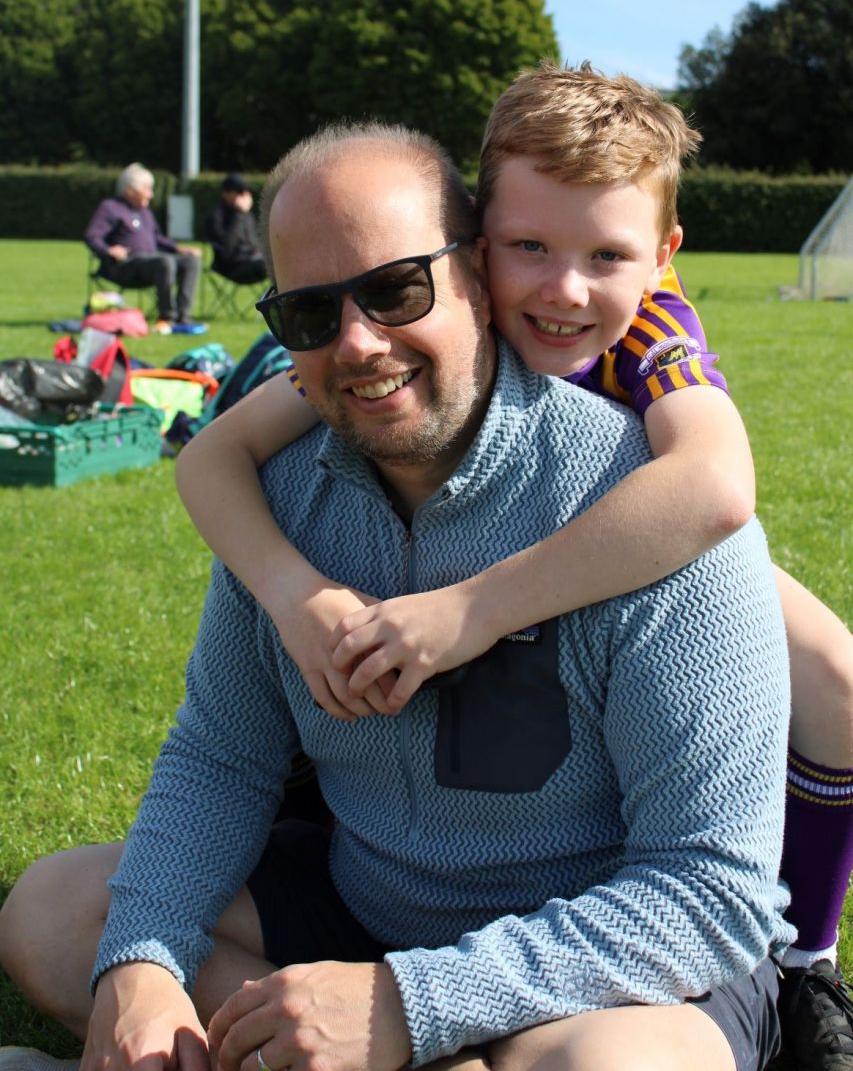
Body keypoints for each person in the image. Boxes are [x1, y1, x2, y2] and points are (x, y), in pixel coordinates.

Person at [0, 123, 792, 1071]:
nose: (359, 345)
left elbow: (712, 891)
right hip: (363, 912)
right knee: (57, 916)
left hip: (599, 965)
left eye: (394, 289)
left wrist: (416, 1004)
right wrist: (142, 966)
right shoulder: (282, 497)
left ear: (476, 277)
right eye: (310, 315)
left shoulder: (651, 513)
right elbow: (222, 757)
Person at [174, 65, 853, 1071]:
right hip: (422, 794)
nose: (562, 287)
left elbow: (709, 487)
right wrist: (293, 590)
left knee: (834, 678)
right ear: (476, 238)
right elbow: (213, 454)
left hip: (637, 526)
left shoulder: (656, 337)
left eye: (606, 255)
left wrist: (474, 608)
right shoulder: (386, 340)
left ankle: (804, 957)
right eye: (527, 245)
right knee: (78, 905)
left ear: (662, 259)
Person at [84, 163, 202, 333]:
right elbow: (92, 236)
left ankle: (183, 316)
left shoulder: (144, 212)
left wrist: (179, 249)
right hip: (124, 266)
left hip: (152, 263)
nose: (151, 194)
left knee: (191, 262)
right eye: (147, 189)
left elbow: (157, 238)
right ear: (130, 190)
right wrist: (108, 250)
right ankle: (167, 317)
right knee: (164, 261)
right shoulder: (110, 208)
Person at [205, 172, 267, 285]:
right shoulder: (216, 216)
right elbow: (227, 248)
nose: (243, 196)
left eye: (245, 192)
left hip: (253, 259)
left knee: (278, 261)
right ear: (226, 193)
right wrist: (239, 214)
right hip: (231, 266)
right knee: (272, 265)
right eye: (239, 192)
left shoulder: (246, 215)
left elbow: (254, 243)